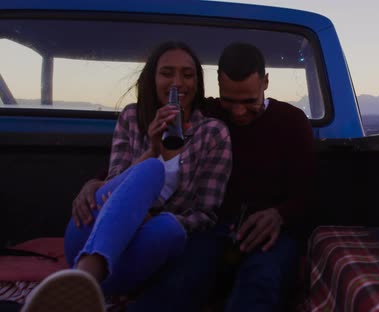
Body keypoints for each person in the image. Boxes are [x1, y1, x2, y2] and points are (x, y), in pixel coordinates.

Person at [20, 41, 232, 311]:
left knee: (170, 228)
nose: (177, 82)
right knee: (151, 169)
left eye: (187, 75)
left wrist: (148, 218)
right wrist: (153, 149)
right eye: (167, 73)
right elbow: (114, 185)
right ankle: (84, 276)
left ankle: (83, 289)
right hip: (90, 235)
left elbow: (205, 214)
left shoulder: (213, 133)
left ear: (197, 82)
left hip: (141, 251)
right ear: (152, 78)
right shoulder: (132, 117)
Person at [127, 42, 316, 312]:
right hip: (212, 228)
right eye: (230, 100)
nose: (238, 112)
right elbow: (160, 145)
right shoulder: (205, 114)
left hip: (271, 233)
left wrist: (280, 214)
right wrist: (96, 182)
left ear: (265, 82)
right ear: (217, 83)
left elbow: (308, 192)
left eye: (249, 101)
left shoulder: (292, 121)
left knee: (260, 284)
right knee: (179, 281)